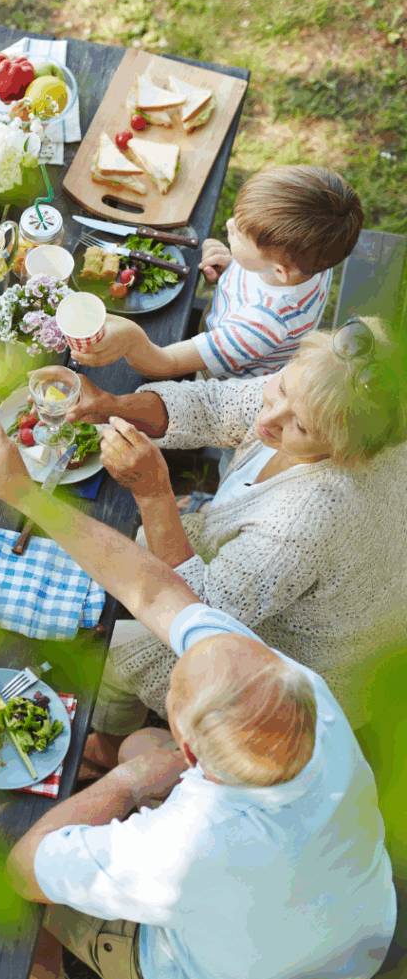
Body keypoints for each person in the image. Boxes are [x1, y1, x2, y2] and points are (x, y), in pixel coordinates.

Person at [0, 426, 396, 979]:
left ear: (190, 751)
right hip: (353, 928)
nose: (200, 638)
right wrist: (26, 494)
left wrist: (130, 782)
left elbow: (27, 865)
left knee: (4, 900)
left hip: (217, 978)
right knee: (136, 745)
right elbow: (159, 594)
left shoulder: (185, 848)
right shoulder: (300, 690)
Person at [60, 318, 407, 775]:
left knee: (113, 660)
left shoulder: (310, 517)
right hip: (250, 567)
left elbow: (201, 612)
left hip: (295, 671)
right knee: (120, 547)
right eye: (280, 389)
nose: (267, 420)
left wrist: (154, 493)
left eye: (297, 427)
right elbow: (216, 404)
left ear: (351, 454)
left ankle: (107, 747)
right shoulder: (326, 389)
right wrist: (113, 405)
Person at [73, 165, 362, 379]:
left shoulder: (259, 326)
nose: (228, 225)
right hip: (229, 328)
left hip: (223, 378)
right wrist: (233, 268)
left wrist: (132, 338)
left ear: (279, 270)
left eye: (238, 235)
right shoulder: (314, 256)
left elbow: (165, 365)